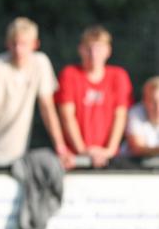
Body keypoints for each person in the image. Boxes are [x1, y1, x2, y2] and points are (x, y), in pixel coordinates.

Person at [0, 18, 73, 169]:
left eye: (24, 44)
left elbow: (47, 107)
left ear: (35, 44)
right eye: (14, 43)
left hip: (16, 154)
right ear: (7, 43)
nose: (18, 49)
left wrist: (60, 147)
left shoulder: (41, 63)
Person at [55, 25, 133, 168]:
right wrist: (83, 151)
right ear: (80, 49)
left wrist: (108, 151)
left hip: (111, 159)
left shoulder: (119, 76)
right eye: (88, 48)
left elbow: (120, 116)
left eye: (99, 48)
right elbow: (67, 116)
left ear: (108, 51)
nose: (93, 53)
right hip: (74, 159)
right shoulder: (70, 74)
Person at [123, 77, 159, 157]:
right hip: (133, 167)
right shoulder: (135, 113)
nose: (157, 107)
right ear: (144, 100)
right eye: (153, 101)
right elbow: (137, 148)